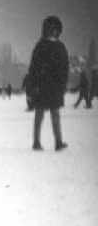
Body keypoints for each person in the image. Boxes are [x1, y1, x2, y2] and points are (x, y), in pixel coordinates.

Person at [26, 15, 69, 151]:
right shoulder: (46, 46)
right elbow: (33, 68)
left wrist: (62, 84)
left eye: (54, 29)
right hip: (44, 85)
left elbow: (64, 68)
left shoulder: (52, 46)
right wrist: (34, 85)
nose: (53, 31)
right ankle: (38, 142)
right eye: (51, 29)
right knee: (42, 114)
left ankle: (56, 141)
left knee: (52, 114)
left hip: (51, 86)